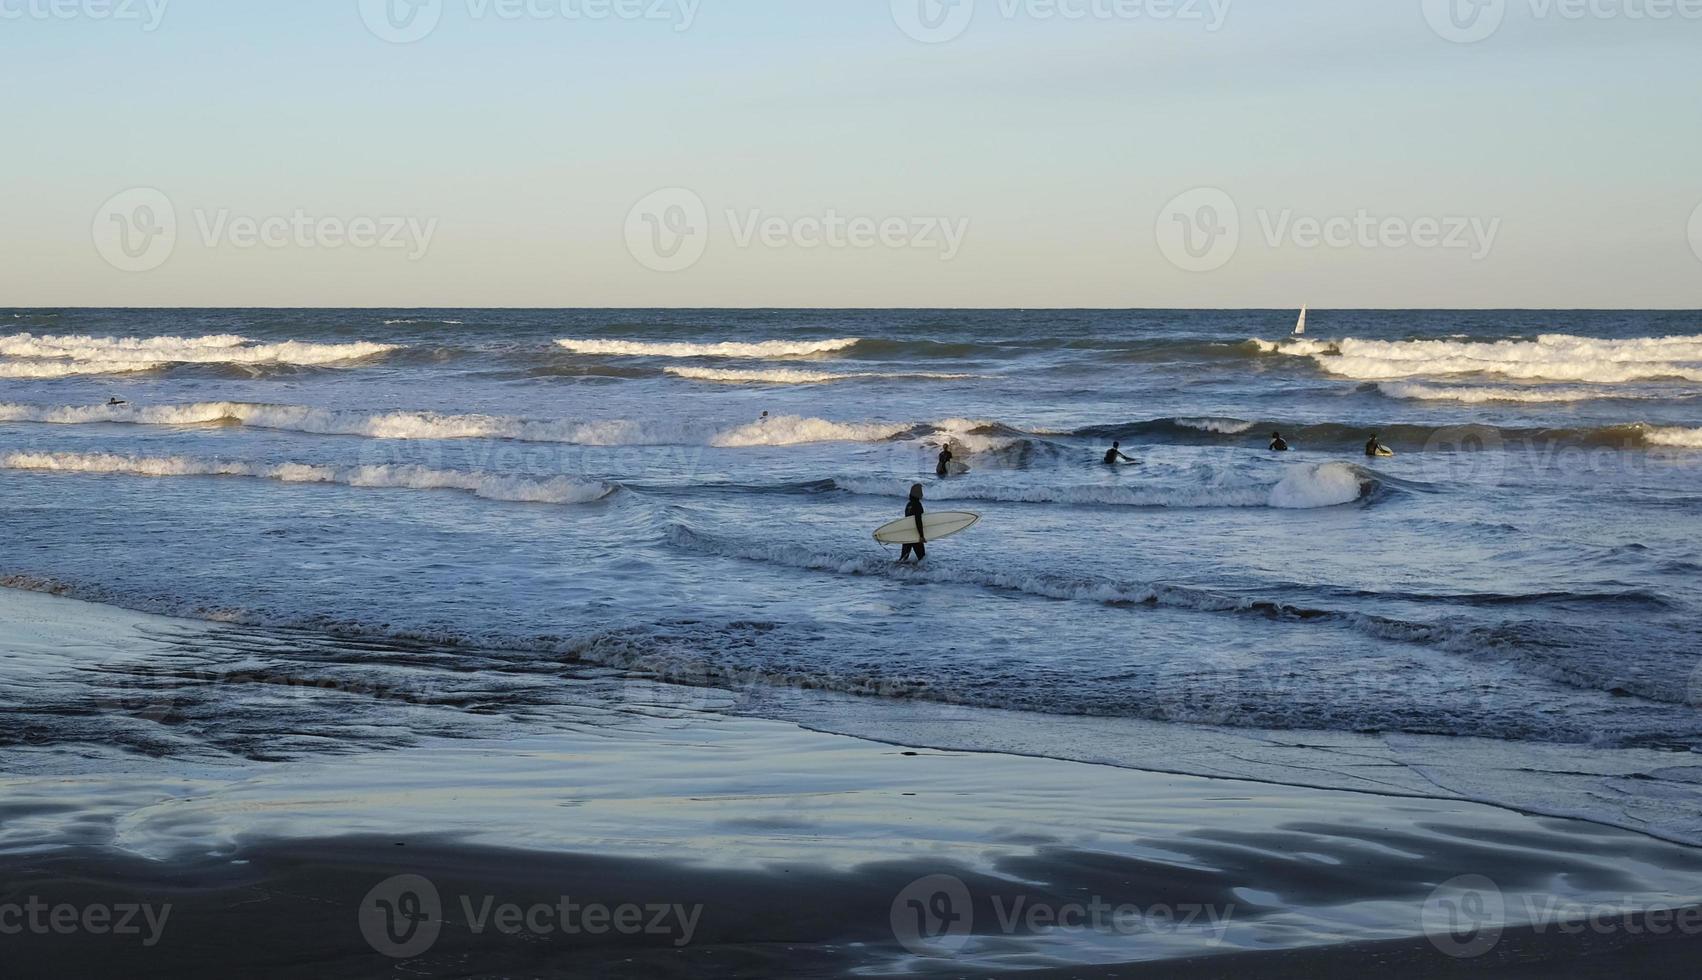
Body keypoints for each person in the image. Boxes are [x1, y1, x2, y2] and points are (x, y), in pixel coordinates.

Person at [899, 484, 927, 564]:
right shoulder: (917, 505)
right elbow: (918, 520)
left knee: (903, 559)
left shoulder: (909, 504)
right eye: (921, 492)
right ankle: (921, 575)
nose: (922, 494)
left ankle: (894, 571)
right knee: (922, 559)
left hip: (907, 534)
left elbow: (908, 520)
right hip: (915, 534)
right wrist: (921, 536)